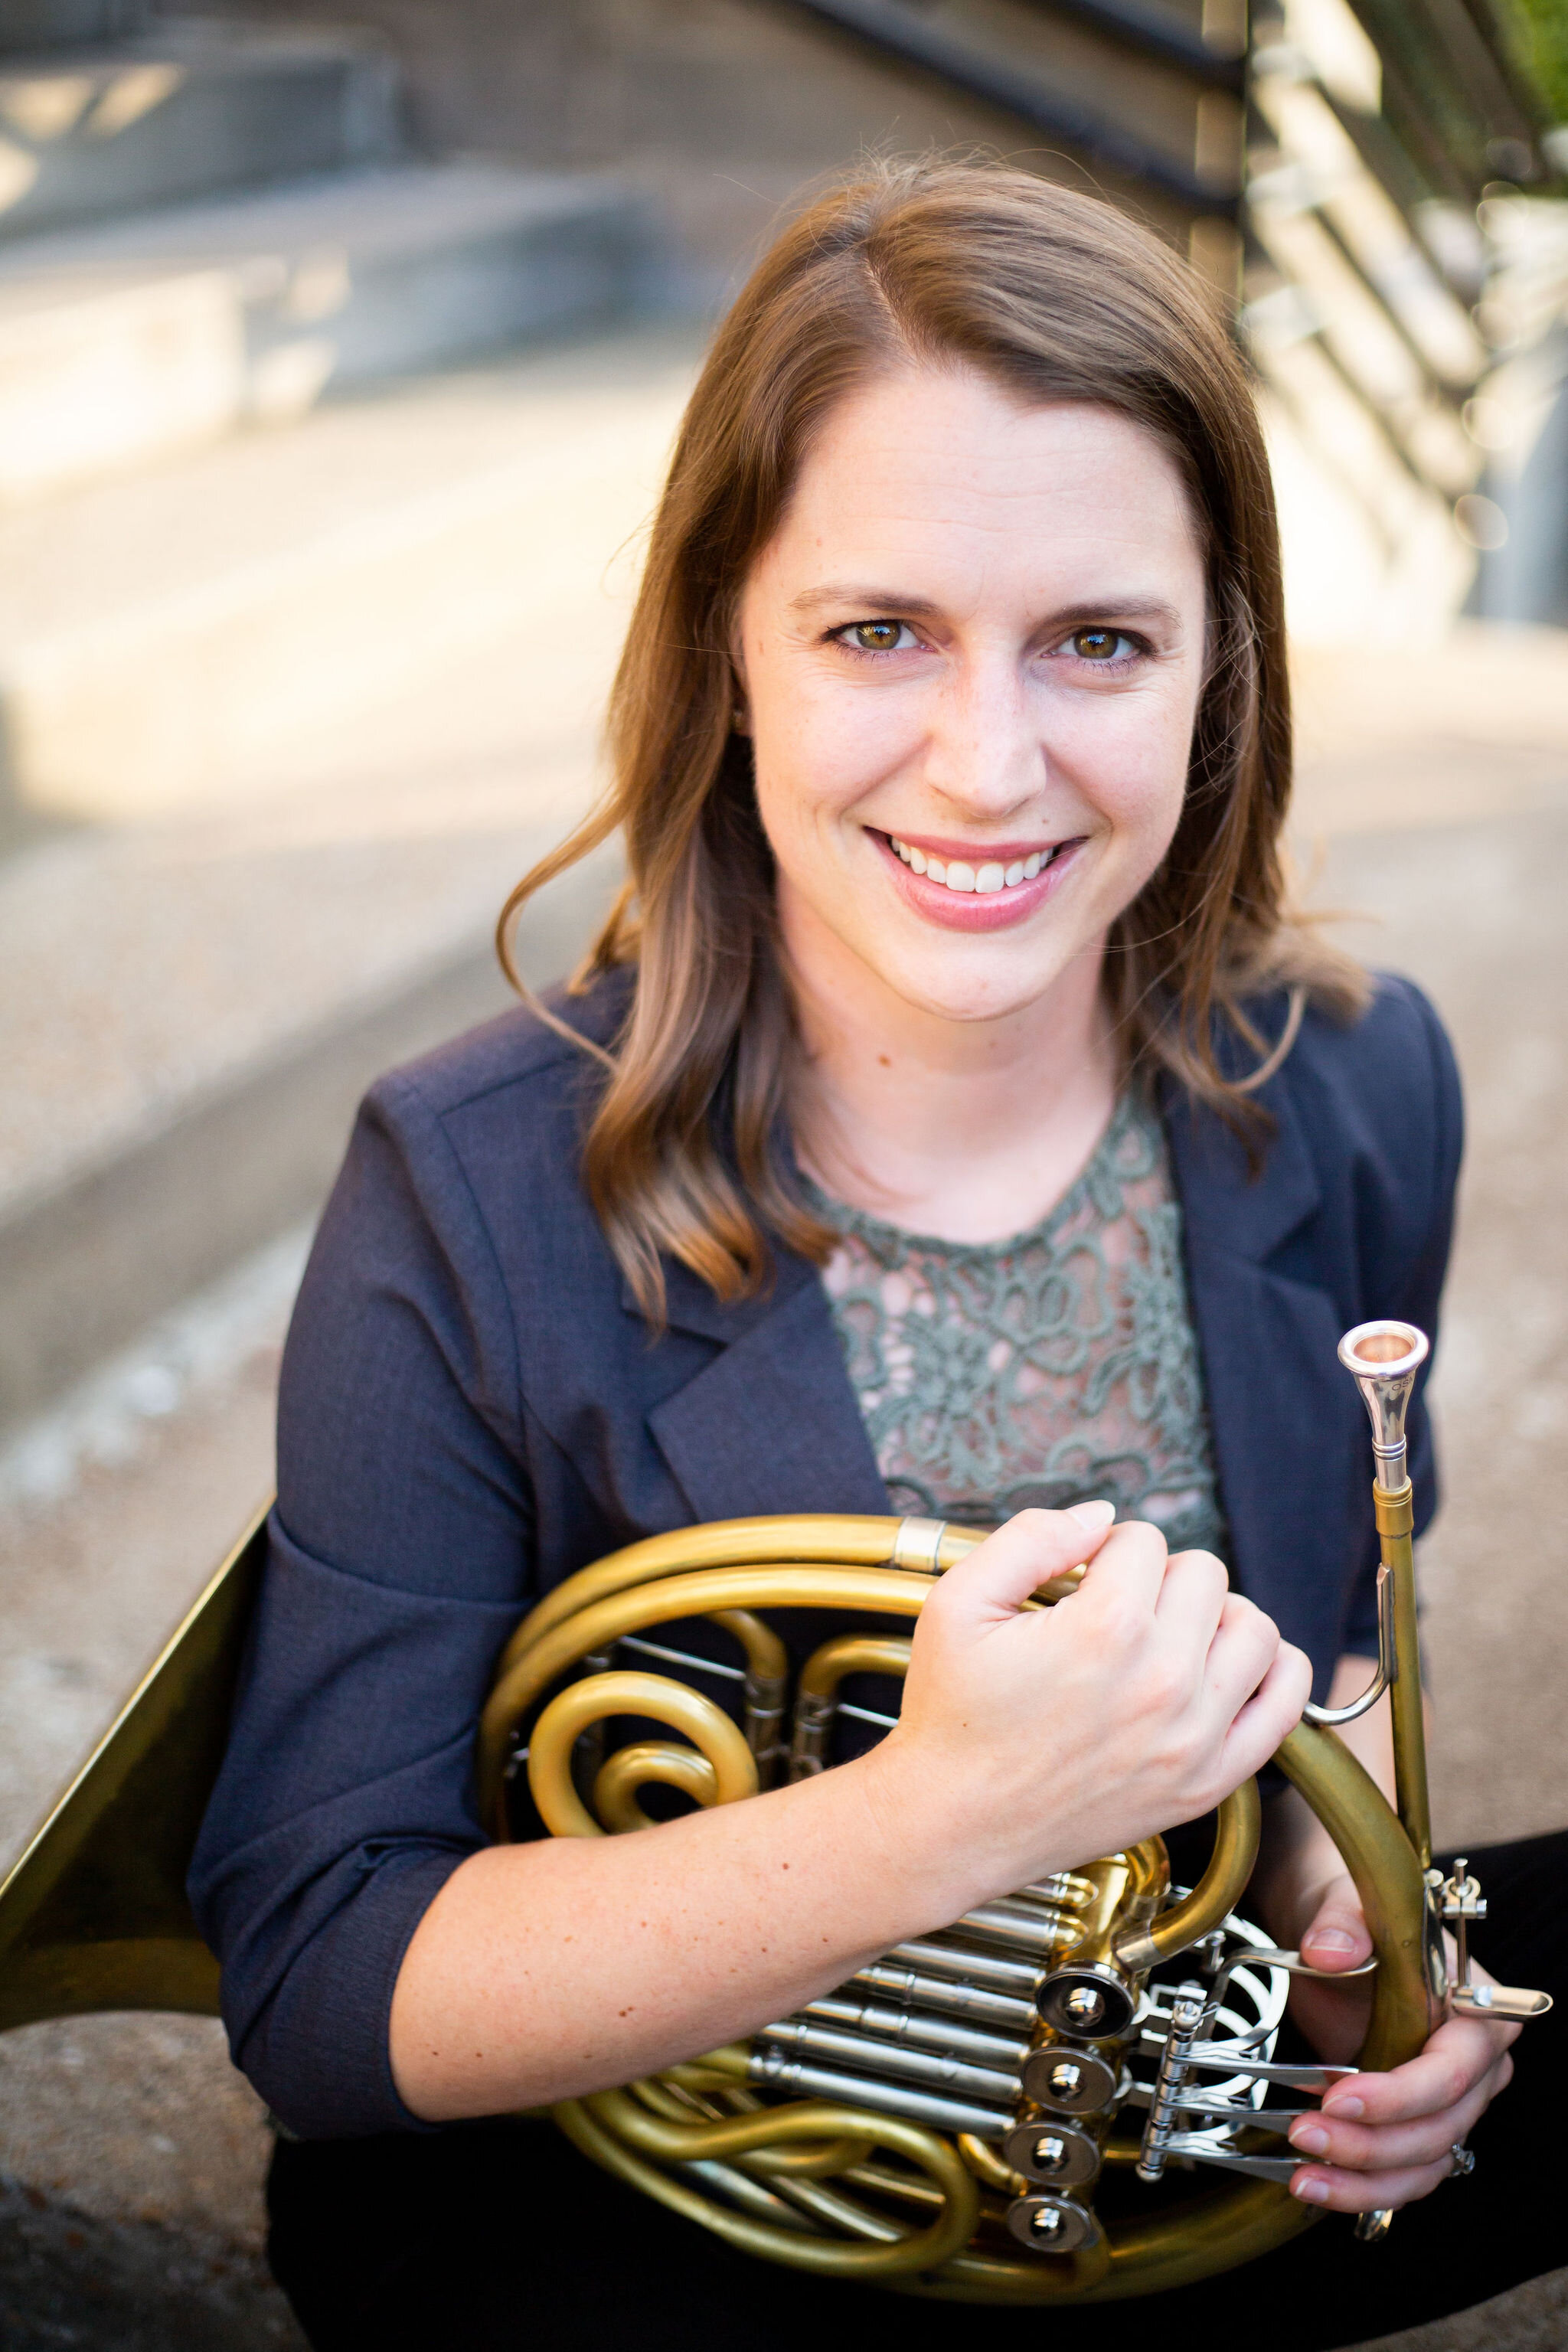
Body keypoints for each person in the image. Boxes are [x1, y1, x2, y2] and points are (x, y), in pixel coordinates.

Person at [190, 160, 1566, 2350]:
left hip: (1161, 2109)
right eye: (877, 631)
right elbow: (324, 1987)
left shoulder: (1355, 1077)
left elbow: (1331, 1655)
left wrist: (1378, 1946)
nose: (990, 765)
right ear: (728, 643)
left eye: (1098, 640)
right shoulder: (466, 1188)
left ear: (1224, 672)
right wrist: (936, 1823)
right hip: (684, 2189)